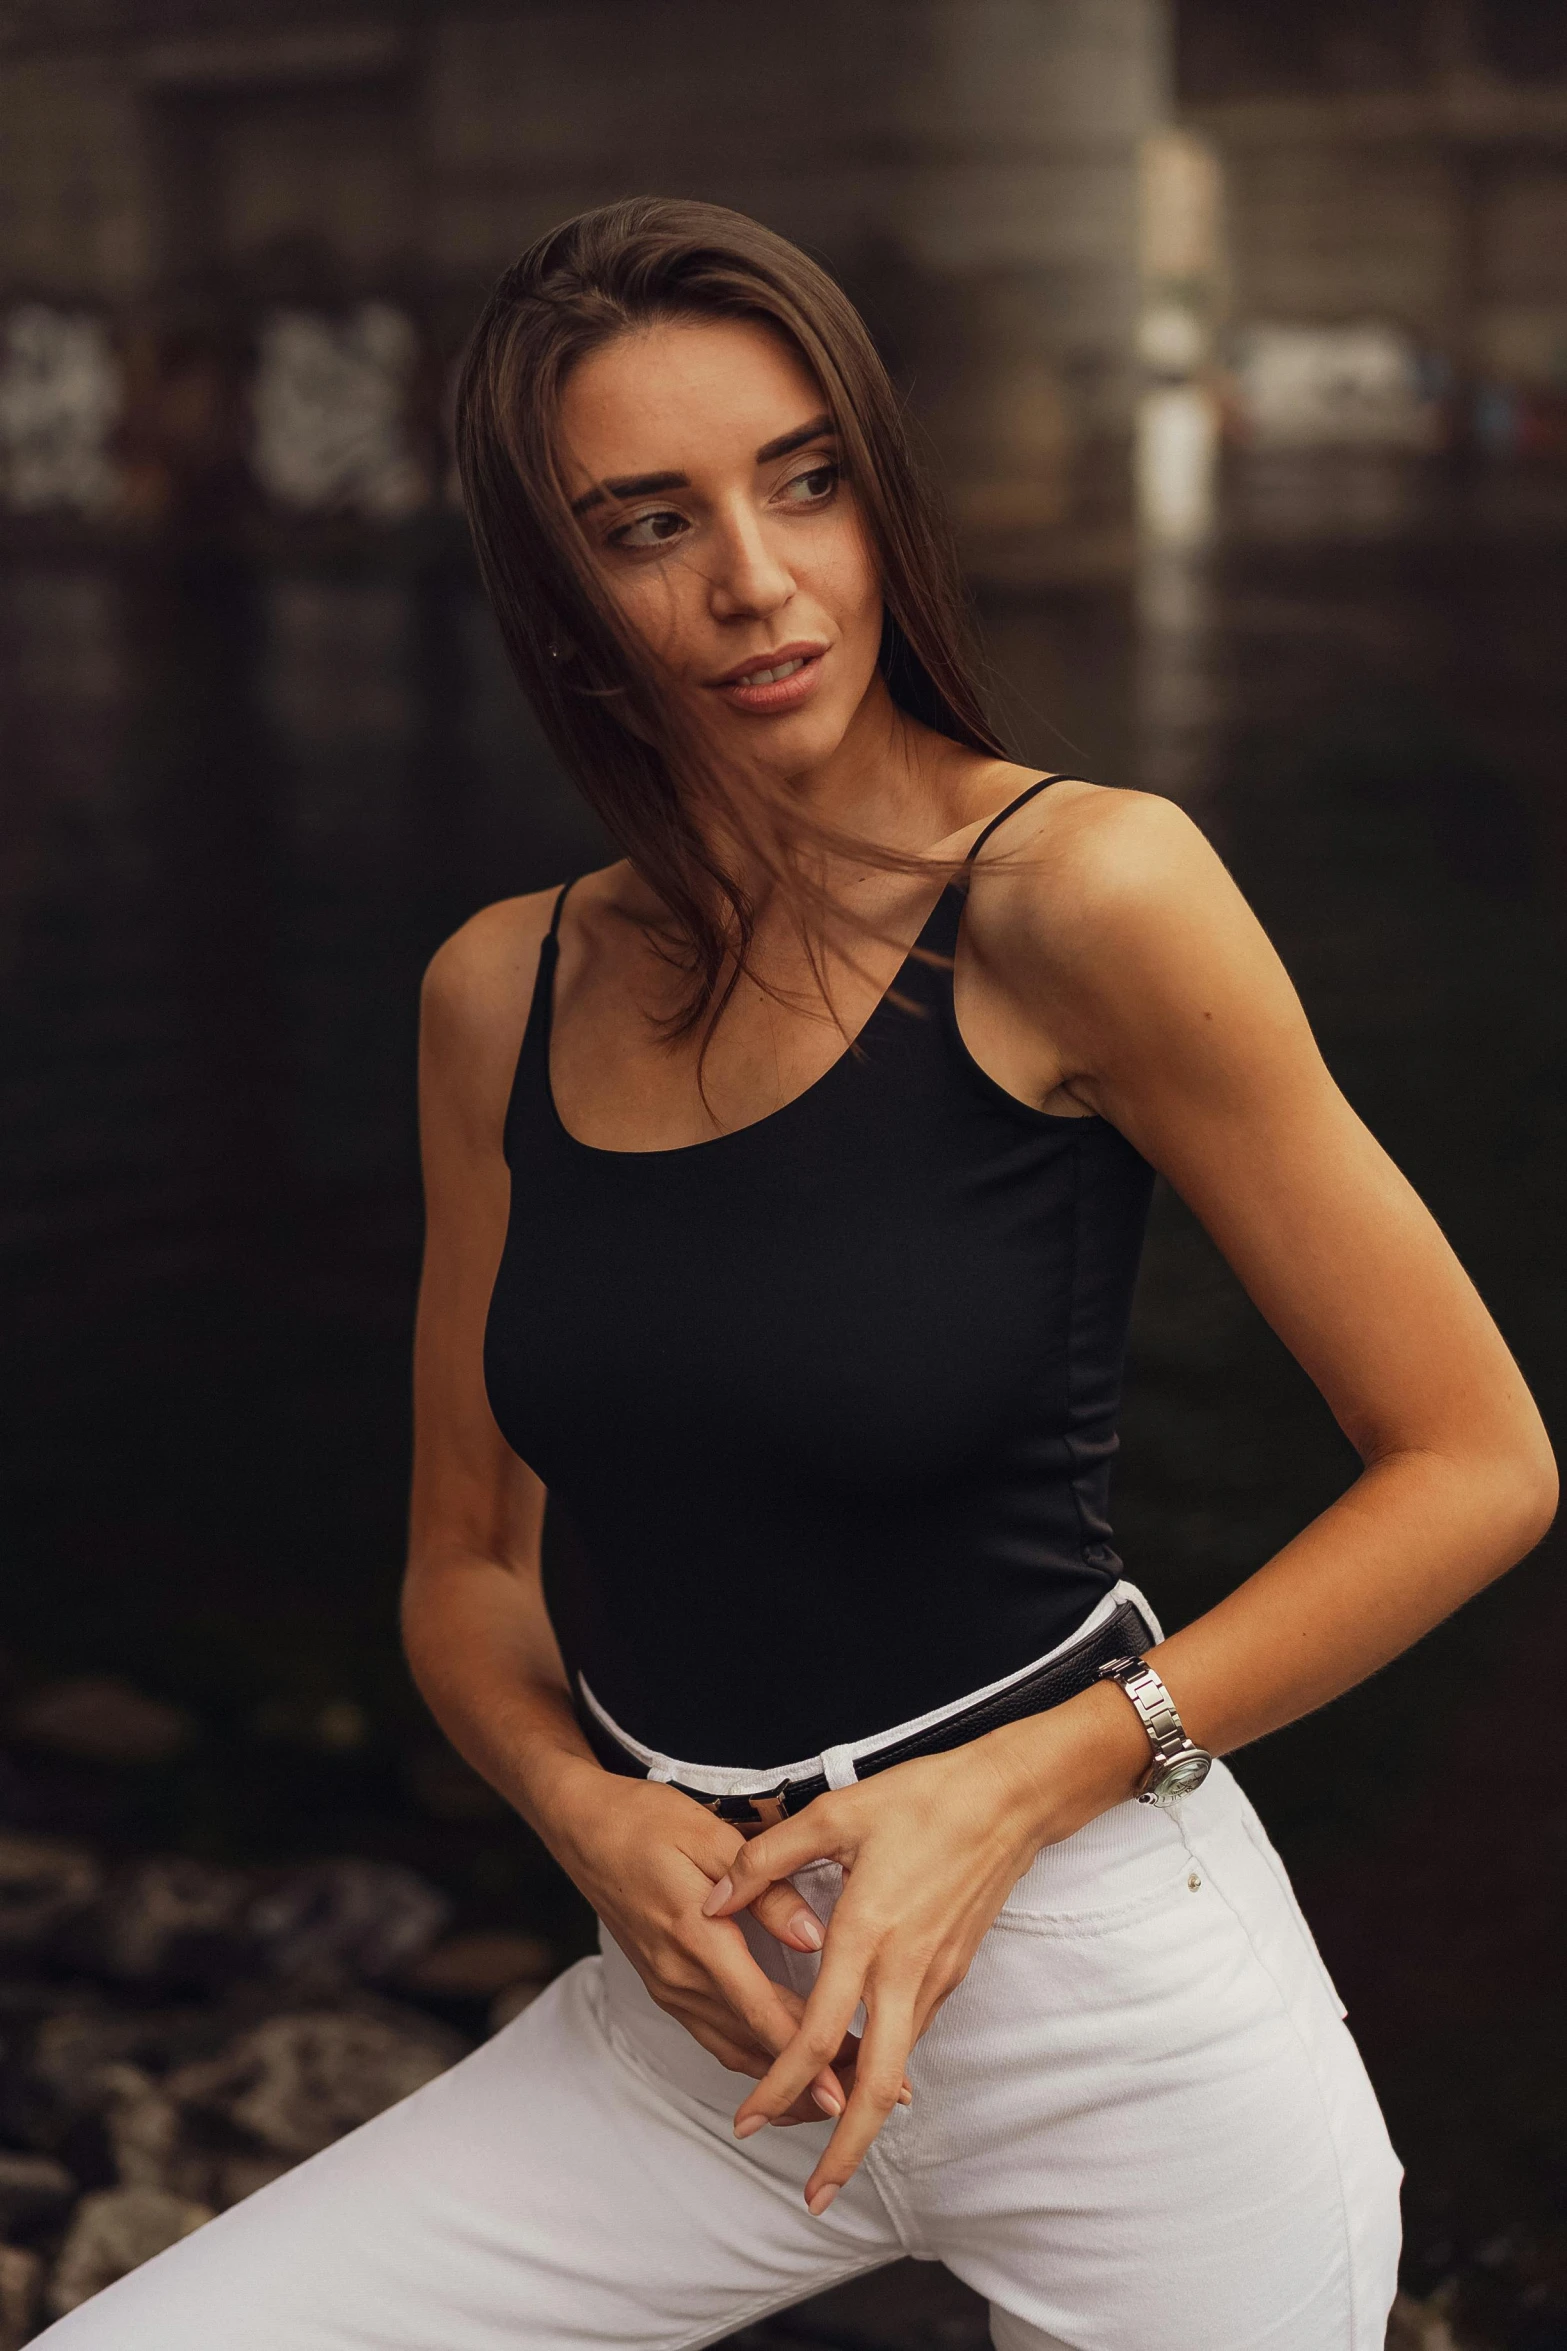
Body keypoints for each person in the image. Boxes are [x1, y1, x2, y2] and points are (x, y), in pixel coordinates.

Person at [43, 197, 1554, 2351]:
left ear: (877, 489)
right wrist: (590, 1820)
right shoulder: (498, 991)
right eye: (649, 523)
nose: (757, 579)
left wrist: (1023, 1779)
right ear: (557, 591)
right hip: (697, 2033)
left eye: (805, 478)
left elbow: (1478, 1458)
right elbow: (467, 1567)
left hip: (1112, 2013)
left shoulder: (1083, 892)